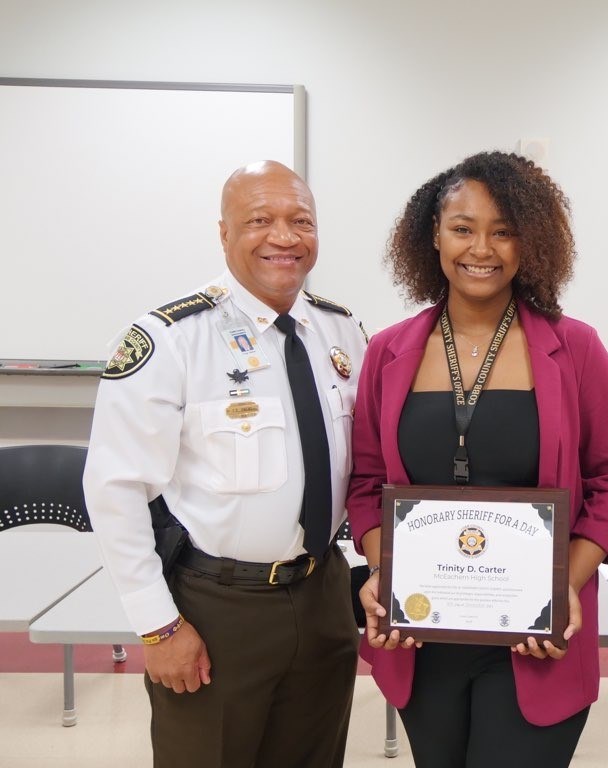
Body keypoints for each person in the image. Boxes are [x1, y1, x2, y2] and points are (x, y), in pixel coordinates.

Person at [346, 150, 608, 768]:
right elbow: (366, 483)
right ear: (433, 234)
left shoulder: (575, 347)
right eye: (463, 228)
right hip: (421, 634)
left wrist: (566, 580)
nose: (481, 248)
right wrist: (388, 573)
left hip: (536, 637)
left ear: (528, 242)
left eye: (503, 231)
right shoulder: (387, 352)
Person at [83, 160, 366, 767]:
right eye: (259, 220)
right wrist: (158, 627)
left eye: (301, 221)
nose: (284, 237)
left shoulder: (342, 332)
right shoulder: (171, 339)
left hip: (323, 596)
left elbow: (361, 466)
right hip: (216, 608)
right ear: (224, 232)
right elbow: (115, 490)